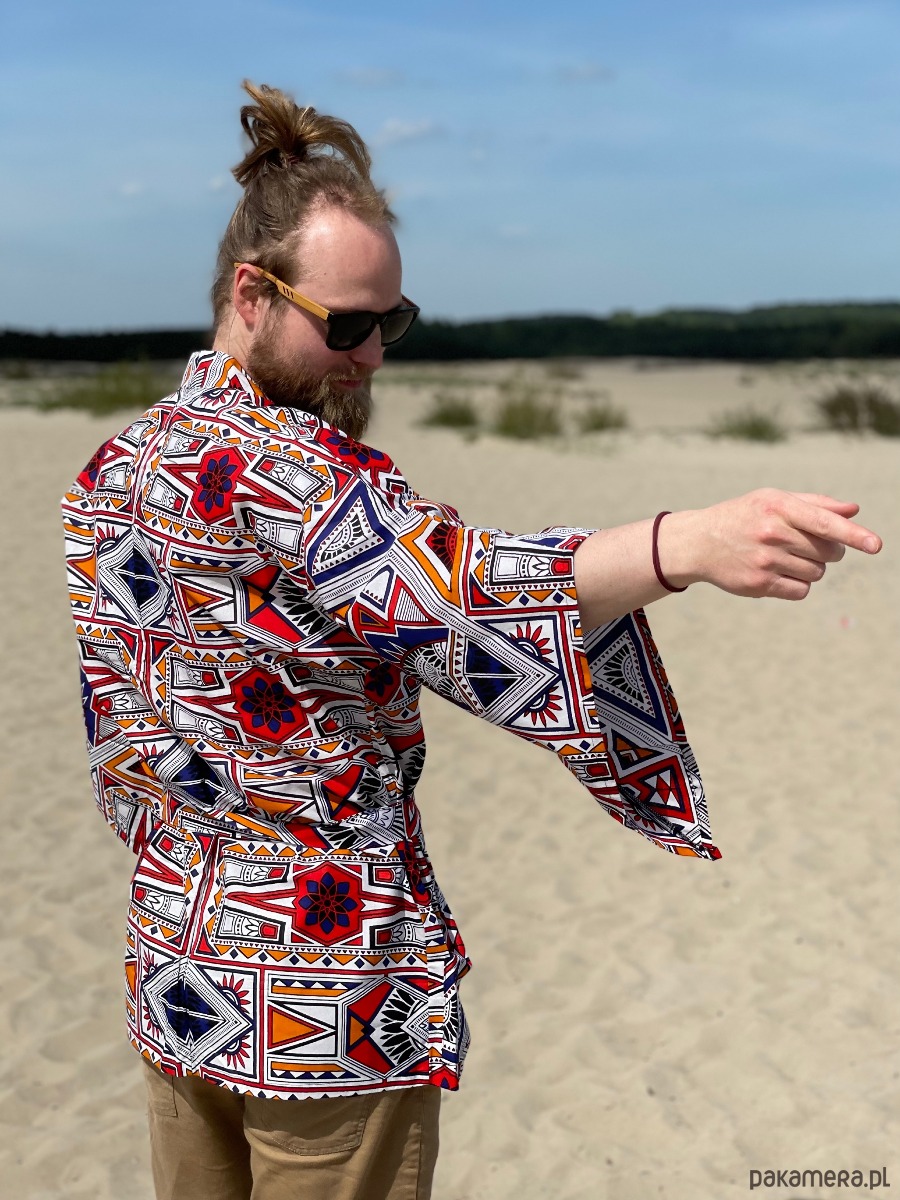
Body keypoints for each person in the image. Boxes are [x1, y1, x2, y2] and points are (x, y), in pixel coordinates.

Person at [60, 80, 883, 1200]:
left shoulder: (114, 468)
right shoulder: (285, 467)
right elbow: (457, 592)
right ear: (252, 294)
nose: (371, 357)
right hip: (324, 1005)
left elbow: (119, 737)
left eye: (391, 323)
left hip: (176, 975)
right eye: (346, 324)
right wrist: (682, 544)